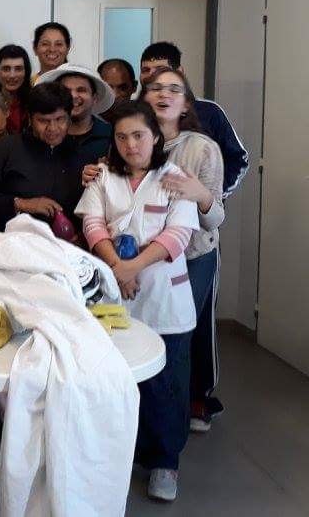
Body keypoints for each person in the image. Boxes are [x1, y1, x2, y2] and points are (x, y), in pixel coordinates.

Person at [74, 100, 201, 502]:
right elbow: (92, 223)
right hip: (116, 294)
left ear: (156, 137)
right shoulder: (103, 177)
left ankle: (165, 462)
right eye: (122, 137)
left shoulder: (175, 178)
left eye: (139, 135)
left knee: (167, 386)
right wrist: (117, 267)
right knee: (116, 380)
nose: (131, 144)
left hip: (164, 299)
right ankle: (122, 454)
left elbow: (178, 235)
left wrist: (130, 268)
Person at [142, 67, 226, 435]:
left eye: (174, 89)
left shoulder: (202, 148)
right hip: (143, 259)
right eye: (156, 88)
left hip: (191, 258)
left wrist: (201, 195)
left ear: (186, 103)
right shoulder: (133, 140)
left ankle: (170, 436)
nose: (164, 94)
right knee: (142, 335)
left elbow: (215, 218)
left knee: (176, 340)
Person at [0, 83, 96, 234]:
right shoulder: (5, 149)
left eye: (60, 119)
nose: (53, 128)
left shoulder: (82, 156)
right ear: (30, 118)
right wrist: (21, 204)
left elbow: (92, 211)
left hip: (64, 245)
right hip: (10, 242)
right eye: (43, 121)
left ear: (69, 117)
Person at [139, 41, 248, 198]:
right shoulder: (134, 115)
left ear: (179, 72)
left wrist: (210, 194)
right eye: (145, 70)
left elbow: (237, 159)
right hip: (147, 206)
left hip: (199, 208)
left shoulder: (210, 112)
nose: (152, 75)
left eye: (160, 69)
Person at [36, 63, 115, 161]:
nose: (73, 96)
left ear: (94, 98)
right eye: (66, 90)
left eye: (81, 90)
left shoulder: (111, 136)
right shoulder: (39, 134)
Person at [0, 44, 32, 134]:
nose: (12, 75)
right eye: (6, 69)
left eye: (18, 69)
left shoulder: (34, 101)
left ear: (26, 73)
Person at [98, 58, 138, 122]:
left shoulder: (145, 120)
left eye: (123, 88)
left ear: (134, 87)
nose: (115, 95)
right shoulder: (86, 119)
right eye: (108, 89)